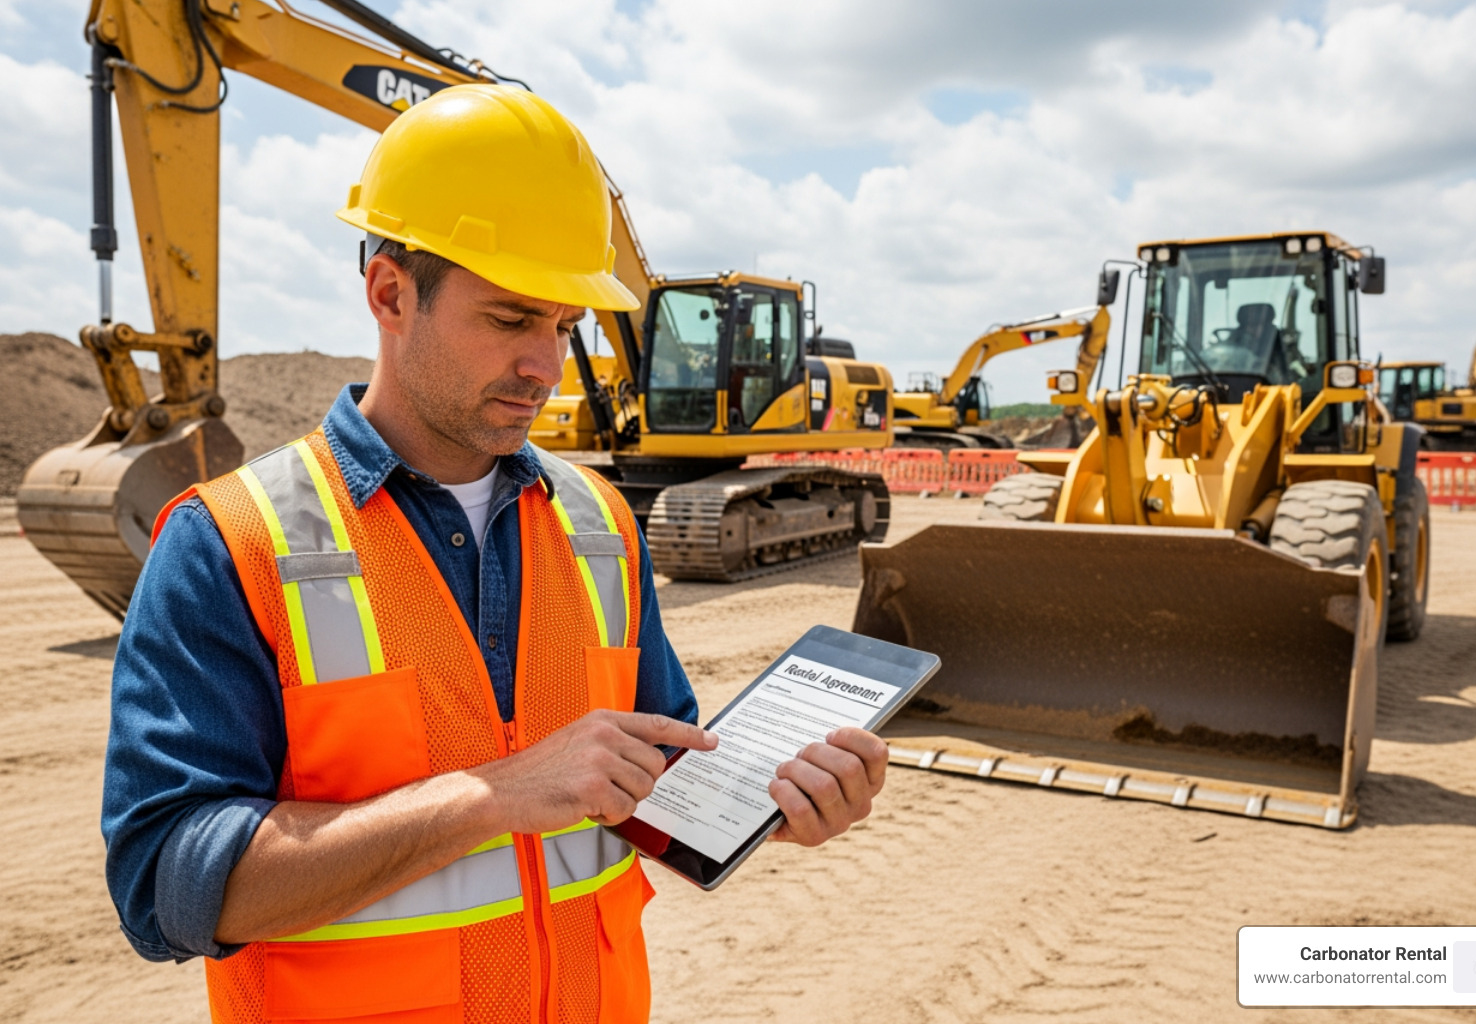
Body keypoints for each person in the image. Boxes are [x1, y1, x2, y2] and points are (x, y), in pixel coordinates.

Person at [102, 84, 889, 1024]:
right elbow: (164, 888)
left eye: (565, 325)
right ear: (391, 293)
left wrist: (767, 801)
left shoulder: (597, 520)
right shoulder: (230, 542)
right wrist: (489, 797)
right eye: (512, 319)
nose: (547, 365)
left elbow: (648, 777)